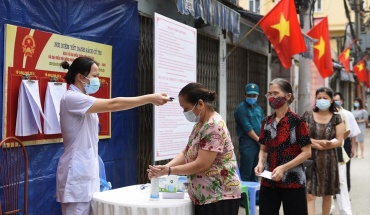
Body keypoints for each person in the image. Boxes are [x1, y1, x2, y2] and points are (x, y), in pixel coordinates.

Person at [56, 57, 171, 215]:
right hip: (76, 174)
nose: (98, 80)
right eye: (94, 76)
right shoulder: (71, 98)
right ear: (80, 77)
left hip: (87, 171)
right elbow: (113, 104)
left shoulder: (85, 98)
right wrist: (150, 98)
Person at [148, 82, 241, 215]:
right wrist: (162, 169)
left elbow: (202, 164)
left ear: (200, 104)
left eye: (186, 108)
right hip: (204, 196)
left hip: (219, 196)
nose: (184, 112)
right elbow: (185, 152)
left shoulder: (214, 126)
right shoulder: (200, 124)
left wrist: (169, 171)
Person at [254, 78, 311, 215]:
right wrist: (260, 163)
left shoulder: (298, 121)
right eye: (270, 94)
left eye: (276, 93)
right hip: (269, 180)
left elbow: (306, 152)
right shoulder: (266, 122)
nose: (272, 97)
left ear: (288, 96)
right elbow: (263, 149)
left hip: (293, 180)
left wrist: (283, 167)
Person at [302, 87, 344, 215]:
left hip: (329, 159)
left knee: (327, 194)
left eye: (325, 98)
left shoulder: (336, 117)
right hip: (310, 158)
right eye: (319, 98)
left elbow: (339, 140)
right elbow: (303, 138)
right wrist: (318, 144)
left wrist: (323, 145)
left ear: (331, 100)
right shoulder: (308, 115)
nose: (322, 100)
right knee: (309, 194)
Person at [330, 92, 361, 215]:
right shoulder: (321, 114)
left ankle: (345, 206)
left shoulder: (345, 114)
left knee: (342, 177)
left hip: (342, 146)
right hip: (325, 149)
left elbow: (351, 132)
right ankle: (330, 206)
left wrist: (352, 146)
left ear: (341, 101)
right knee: (329, 179)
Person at [233, 83, 263, 206]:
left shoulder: (258, 108)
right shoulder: (241, 109)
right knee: (246, 171)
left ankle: (254, 197)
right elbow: (247, 128)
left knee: (255, 171)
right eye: (250, 95)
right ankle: (243, 199)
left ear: (258, 95)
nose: (252, 97)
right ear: (244, 95)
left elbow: (262, 124)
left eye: (254, 95)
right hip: (248, 144)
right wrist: (259, 140)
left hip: (258, 144)